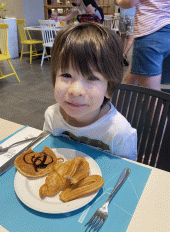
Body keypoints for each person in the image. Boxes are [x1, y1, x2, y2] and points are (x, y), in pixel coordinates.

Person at [43, 22, 137, 161]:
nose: (75, 91)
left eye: (92, 78)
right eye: (66, 75)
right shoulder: (52, 116)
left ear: (109, 87)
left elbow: (126, 173)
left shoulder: (119, 133)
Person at [116, 0, 170, 91]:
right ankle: (115, 105)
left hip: (151, 32)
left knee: (152, 99)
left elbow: (129, 2)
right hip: (164, 28)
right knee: (130, 80)